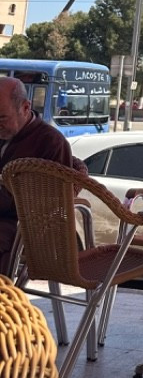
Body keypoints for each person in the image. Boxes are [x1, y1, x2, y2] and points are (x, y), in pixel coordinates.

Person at [0, 76, 75, 275]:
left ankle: (5, 299)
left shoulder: (50, 142)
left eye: (1, 118)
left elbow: (48, 204)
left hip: (27, 227)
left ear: (25, 108)